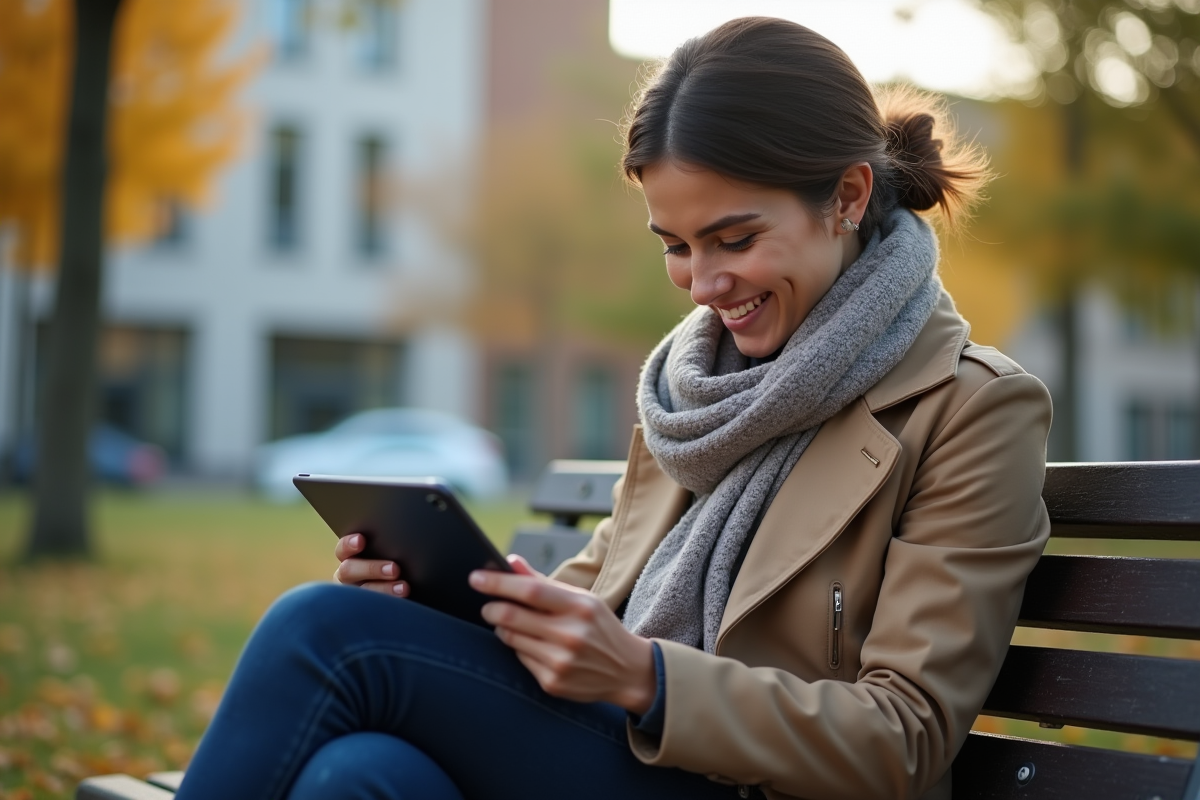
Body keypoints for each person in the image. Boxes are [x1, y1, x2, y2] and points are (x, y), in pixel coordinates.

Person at [176, 16, 1051, 800]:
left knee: (328, 634)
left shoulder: (971, 410)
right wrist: (442, 609)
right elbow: (593, 598)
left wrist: (649, 680)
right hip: (631, 756)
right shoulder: (693, 391)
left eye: (735, 239)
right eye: (677, 246)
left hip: (753, 782)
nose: (705, 286)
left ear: (850, 198)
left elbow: (905, 738)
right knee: (360, 777)